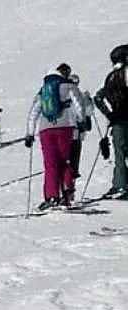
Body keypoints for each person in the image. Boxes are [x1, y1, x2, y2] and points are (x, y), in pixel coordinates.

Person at [25, 63, 86, 209]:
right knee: (65, 160)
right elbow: (79, 104)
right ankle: (67, 194)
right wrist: (81, 121)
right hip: (65, 127)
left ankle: (51, 197)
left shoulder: (43, 90)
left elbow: (33, 112)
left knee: (50, 164)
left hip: (45, 129)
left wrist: (29, 134)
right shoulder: (69, 86)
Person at [94, 44, 128, 199]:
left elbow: (98, 97)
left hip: (117, 121)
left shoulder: (111, 77)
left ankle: (119, 185)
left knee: (120, 155)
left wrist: (109, 114)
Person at [68, 74, 94, 179]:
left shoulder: (63, 94)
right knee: (75, 151)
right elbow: (89, 111)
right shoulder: (80, 95)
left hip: (64, 128)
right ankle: (73, 171)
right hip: (77, 128)